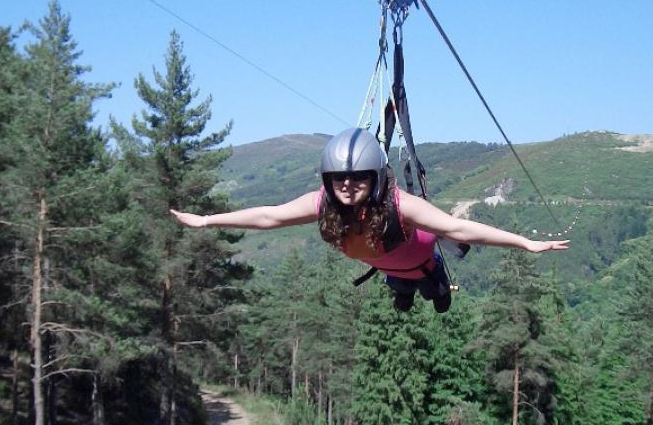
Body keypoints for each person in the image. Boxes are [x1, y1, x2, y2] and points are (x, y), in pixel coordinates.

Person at [171, 127, 569, 313]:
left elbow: (459, 228)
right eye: (339, 178)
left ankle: (435, 288)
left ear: (375, 177)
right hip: (387, 267)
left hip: (424, 264)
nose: (348, 185)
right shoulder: (323, 204)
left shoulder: (402, 206)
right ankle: (404, 290)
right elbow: (268, 216)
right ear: (328, 179)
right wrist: (208, 220)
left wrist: (525, 242)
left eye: (358, 177)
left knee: (438, 300)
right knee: (400, 294)